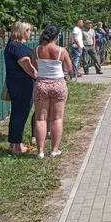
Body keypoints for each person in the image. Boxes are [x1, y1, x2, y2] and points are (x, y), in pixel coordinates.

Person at [32, 25, 72, 159]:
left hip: (41, 84)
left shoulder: (37, 50)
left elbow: (35, 64)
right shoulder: (61, 51)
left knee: (40, 118)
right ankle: (54, 150)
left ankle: (40, 152)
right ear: (57, 36)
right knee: (57, 118)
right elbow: (68, 68)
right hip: (58, 84)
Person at [4, 21, 38, 154]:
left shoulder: (13, 45)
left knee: (17, 113)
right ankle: (18, 146)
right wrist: (38, 77)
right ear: (23, 31)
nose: (30, 33)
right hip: (22, 84)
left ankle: (14, 144)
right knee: (21, 114)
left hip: (16, 83)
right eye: (29, 30)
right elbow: (27, 66)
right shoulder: (16, 46)